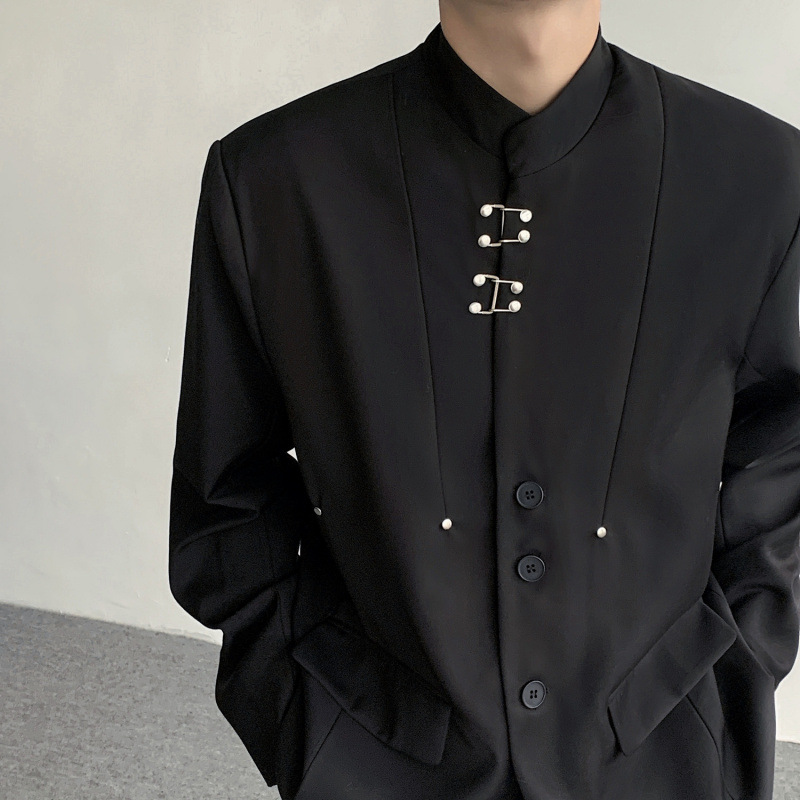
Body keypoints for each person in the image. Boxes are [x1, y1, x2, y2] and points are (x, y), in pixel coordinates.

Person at [168, 2, 800, 799]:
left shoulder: (760, 175)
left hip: (662, 761)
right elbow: (226, 497)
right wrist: (309, 721)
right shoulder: (275, 179)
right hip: (377, 760)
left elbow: (782, 453)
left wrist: (725, 692)